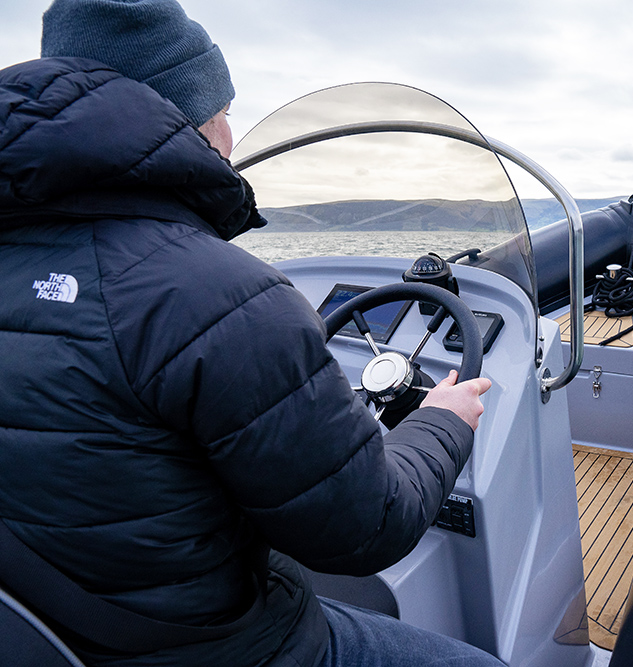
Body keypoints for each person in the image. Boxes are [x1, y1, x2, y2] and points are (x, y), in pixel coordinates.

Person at [0, 1, 498, 665]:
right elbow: (365, 528)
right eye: (224, 110)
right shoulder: (223, 294)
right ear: (195, 121)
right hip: (227, 647)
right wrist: (442, 420)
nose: (231, 132)